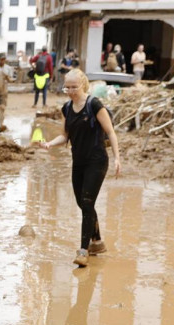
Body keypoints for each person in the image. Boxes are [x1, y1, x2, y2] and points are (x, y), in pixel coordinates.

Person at [37, 70, 122, 267]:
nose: (71, 91)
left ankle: (83, 251)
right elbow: (65, 136)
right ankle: (97, 242)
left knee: (86, 201)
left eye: (74, 87)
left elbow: (110, 132)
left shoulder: (94, 105)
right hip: (79, 161)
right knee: (83, 203)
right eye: (68, 87)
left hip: (97, 160)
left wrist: (117, 158)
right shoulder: (66, 108)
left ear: (83, 85)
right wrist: (49, 143)